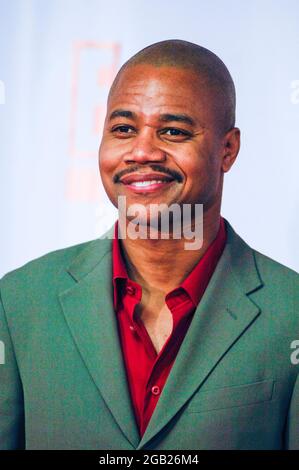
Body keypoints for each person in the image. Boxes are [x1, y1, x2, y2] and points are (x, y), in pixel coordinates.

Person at [0, 39, 298, 450]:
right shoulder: (18, 302)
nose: (141, 152)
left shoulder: (292, 311)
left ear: (227, 149)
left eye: (173, 131)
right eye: (123, 129)